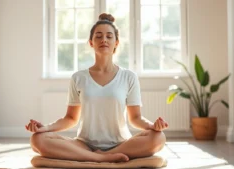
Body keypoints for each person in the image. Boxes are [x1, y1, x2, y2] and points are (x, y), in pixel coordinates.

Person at [25, 13, 168, 163]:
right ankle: (98, 157)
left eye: (109, 36)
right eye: (98, 36)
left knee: (159, 137)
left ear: (116, 42)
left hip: (121, 144)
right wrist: (45, 128)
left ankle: (102, 156)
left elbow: (135, 118)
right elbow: (71, 118)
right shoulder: (78, 77)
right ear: (91, 42)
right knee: (38, 139)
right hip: (84, 144)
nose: (104, 40)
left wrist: (152, 126)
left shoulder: (128, 77)